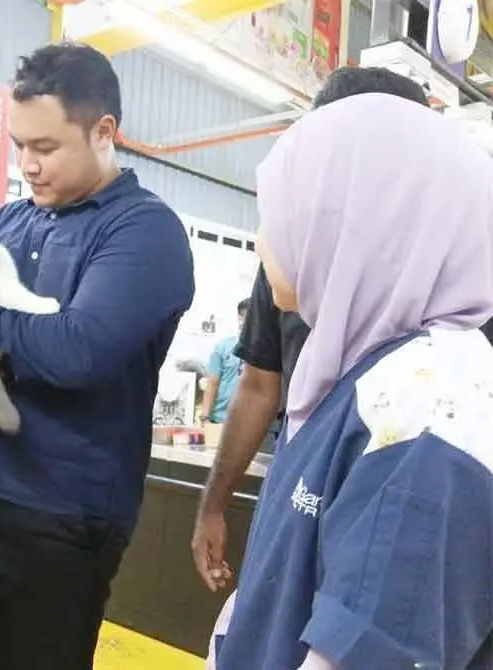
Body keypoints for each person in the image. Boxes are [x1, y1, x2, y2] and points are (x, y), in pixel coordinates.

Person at [0, 43, 194, 669]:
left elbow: (76, 351)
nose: (28, 166)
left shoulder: (144, 232)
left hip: (65, 513)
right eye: (19, 147)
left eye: (46, 147)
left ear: (103, 132)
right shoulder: (9, 220)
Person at [209, 92, 493, 669]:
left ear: (362, 227)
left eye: (284, 212)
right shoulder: (364, 372)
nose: (263, 238)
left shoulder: (428, 411)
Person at [191, 66, 445, 592]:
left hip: (410, 504)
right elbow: (259, 386)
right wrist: (213, 505)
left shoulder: (458, 267)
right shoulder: (290, 252)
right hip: (299, 485)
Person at [198, 299, 249, 426]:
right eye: (246, 317)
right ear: (240, 319)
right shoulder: (223, 347)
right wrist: (205, 417)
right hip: (220, 419)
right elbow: (212, 383)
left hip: (250, 422)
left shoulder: (266, 350)